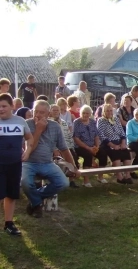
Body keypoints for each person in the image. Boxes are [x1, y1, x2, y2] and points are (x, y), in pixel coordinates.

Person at [21, 100, 80, 218]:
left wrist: (74, 167)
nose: (37, 115)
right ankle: (37, 204)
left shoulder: (55, 126)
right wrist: (38, 130)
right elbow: (28, 150)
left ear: (48, 114)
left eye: (41, 112)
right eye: (35, 111)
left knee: (63, 183)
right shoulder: (26, 124)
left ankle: (35, 199)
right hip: (29, 162)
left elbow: (64, 149)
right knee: (25, 182)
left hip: (47, 163)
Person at [0, 93, 33, 235]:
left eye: (4, 106)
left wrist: (27, 151)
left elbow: (29, 138)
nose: (1, 109)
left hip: (14, 164)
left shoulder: (20, 121)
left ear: (12, 106)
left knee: (11, 194)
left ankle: (9, 223)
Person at [73, 105, 108, 187]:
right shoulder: (77, 122)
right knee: (88, 155)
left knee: (103, 153)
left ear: (90, 114)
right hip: (80, 147)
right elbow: (76, 138)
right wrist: (88, 148)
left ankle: (100, 176)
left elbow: (96, 135)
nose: (85, 115)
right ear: (81, 113)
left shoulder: (93, 122)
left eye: (87, 113)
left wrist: (97, 146)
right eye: (83, 113)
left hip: (93, 145)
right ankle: (86, 180)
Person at [97, 104, 133, 184]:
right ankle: (119, 176)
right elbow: (101, 135)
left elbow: (122, 132)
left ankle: (127, 175)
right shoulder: (101, 121)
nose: (109, 112)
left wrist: (123, 143)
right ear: (104, 112)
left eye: (111, 110)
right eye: (107, 111)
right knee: (116, 153)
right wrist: (113, 145)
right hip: (107, 143)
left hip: (119, 141)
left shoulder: (116, 119)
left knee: (126, 153)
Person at [49, 104, 80, 188]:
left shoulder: (63, 122)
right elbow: (49, 139)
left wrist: (71, 147)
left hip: (66, 146)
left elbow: (68, 135)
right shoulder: (48, 122)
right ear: (50, 111)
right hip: (53, 149)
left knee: (73, 158)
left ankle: (71, 180)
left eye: (57, 110)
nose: (56, 112)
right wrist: (55, 149)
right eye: (54, 110)